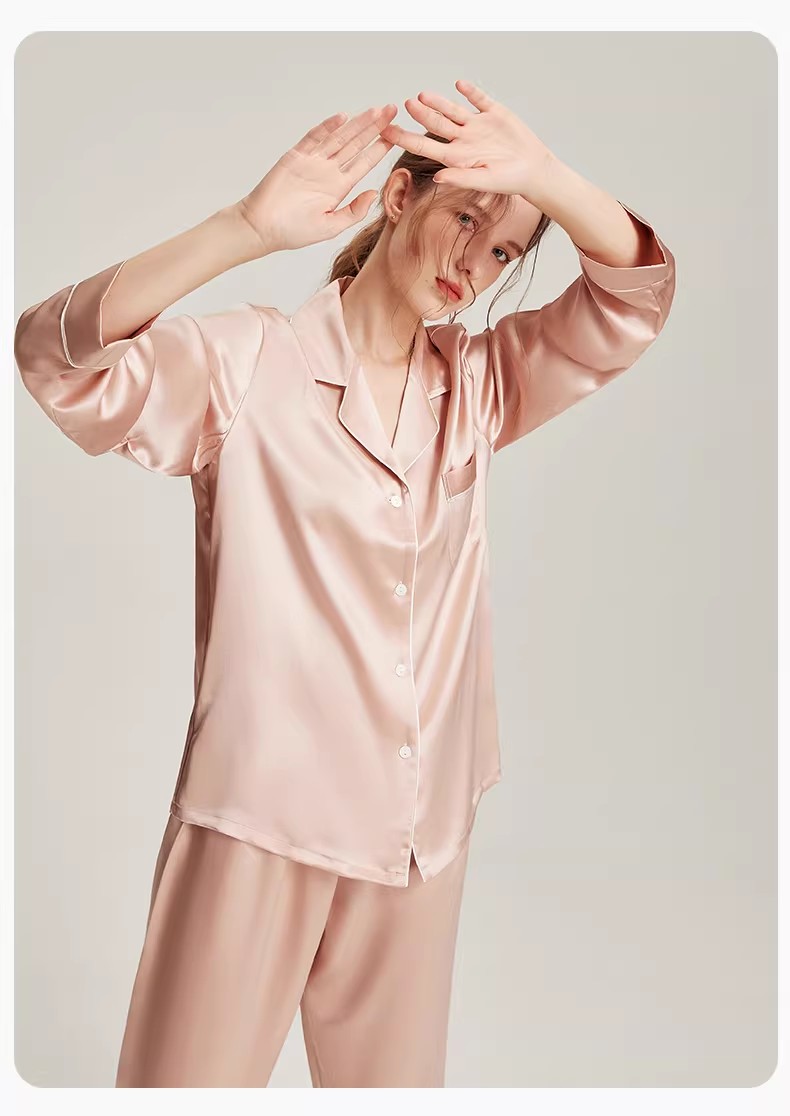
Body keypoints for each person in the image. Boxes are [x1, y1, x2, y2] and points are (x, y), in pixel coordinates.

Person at [14, 79, 677, 1088]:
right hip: (257, 821)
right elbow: (56, 360)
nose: (475, 264)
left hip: (418, 833)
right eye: (466, 219)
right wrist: (241, 230)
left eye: (504, 252)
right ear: (399, 198)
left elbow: (634, 301)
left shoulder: (479, 387)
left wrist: (546, 176)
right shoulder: (248, 364)